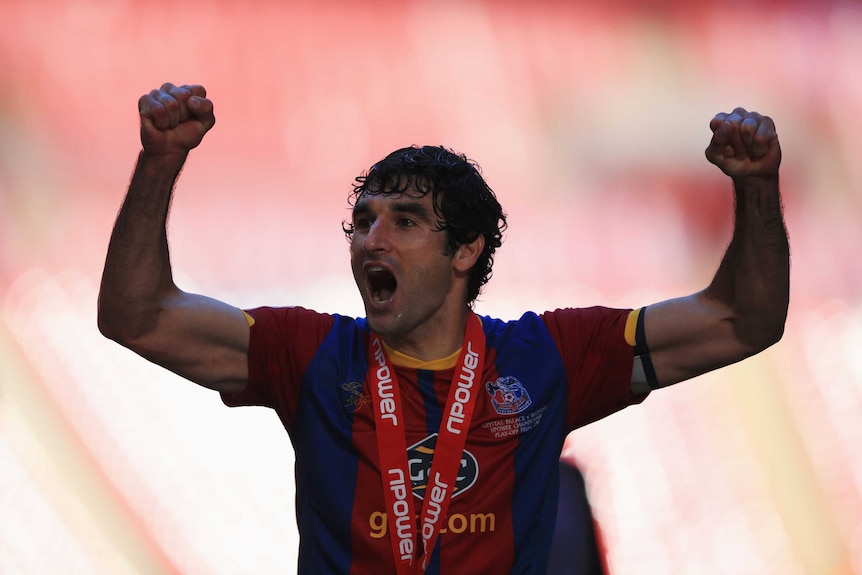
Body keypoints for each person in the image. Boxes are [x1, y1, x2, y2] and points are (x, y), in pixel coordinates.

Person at [98, 82, 789, 574]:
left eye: (403, 220)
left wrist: (757, 188)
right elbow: (138, 316)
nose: (373, 240)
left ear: (465, 249)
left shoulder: (548, 357)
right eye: (363, 220)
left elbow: (741, 320)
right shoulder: (309, 354)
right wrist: (159, 163)